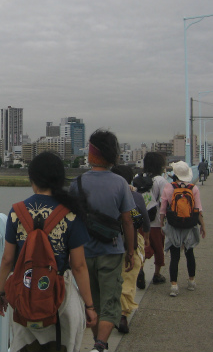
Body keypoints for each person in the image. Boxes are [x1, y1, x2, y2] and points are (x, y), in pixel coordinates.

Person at [0, 151, 98, 352]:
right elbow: (78, 265)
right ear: (59, 179)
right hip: (60, 296)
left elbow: (7, 259)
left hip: (25, 293)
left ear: (32, 178)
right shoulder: (70, 213)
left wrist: (1, 293)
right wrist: (89, 306)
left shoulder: (17, 212)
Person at [69, 129, 135, 352]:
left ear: (91, 154)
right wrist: (131, 250)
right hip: (112, 250)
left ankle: (98, 344)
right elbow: (128, 221)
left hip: (83, 253)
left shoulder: (77, 183)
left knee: (92, 303)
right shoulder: (120, 183)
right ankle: (100, 345)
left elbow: (69, 220)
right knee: (110, 302)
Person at [111, 165, 150, 334]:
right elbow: (142, 220)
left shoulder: (104, 195)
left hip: (107, 243)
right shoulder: (134, 196)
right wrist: (146, 237)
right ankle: (122, 315)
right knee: (127, 278)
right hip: (129, 242)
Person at [160, 161, 206, 297]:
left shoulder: (169, 187)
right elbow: (198, 209)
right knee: (189, 253)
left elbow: (163, 209)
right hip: (189, 225)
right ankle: (191, 281)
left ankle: (174, 286)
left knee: (175, 256)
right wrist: (203, 226)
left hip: (174, 224)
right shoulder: (193, 188)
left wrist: (162, 224)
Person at [138, 151, 168, 287]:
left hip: (140, 220)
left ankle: (140, 269)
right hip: (155, 221)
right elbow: (164, 201)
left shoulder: (138, 177)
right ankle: (156, 274)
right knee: (159, 248)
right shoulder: (161, 180)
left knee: (141, 247)